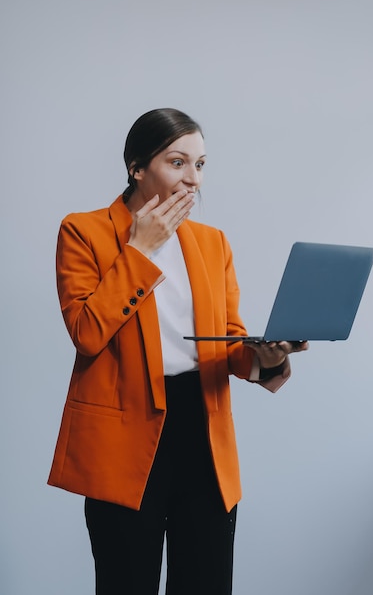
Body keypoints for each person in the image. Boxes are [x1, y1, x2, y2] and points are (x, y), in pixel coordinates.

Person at [48, 108, 308, 595]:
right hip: (125, 435)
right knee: (127, 583)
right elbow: (86, 333)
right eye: (177, 162)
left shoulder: (212, 243)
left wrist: (267, 356)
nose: (193, 179)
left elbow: (230, 341)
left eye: (201, 164)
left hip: (203, 432)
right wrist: (140, 251)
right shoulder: (83, 232)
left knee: (206, 583)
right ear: (137, 168)